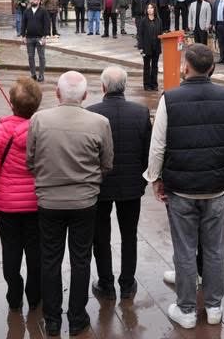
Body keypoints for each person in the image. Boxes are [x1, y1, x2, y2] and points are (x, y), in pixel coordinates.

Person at [145, 44, 224, 329]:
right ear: (211, 68)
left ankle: (187, 309)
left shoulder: (171, 98)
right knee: (214, 248)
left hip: (182, 187)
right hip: (215, 185)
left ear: (186, 67)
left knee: (185, 248)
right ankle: (214, 306)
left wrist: (155, 178)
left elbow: (158, 145)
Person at [27, 71, 114, 337]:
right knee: (80, 260)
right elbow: (107, 163)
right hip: (84, 202)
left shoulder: (39, 120)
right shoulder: (100, 123)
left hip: (49, 202)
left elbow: (30, 161)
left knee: (50, 259)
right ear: (86, 96)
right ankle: (77, 317)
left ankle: (52, 319)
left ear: (57, 93)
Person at [87, 67, 152, 300]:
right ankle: (127, 283)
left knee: (100, 236)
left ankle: (106, 282)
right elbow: (148, 152)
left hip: (100, 185)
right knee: (129, 235)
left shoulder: (91, 113)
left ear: (103, 87)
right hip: (132, 186)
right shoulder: (141, 112)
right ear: (124, 86)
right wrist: (142, 178)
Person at [0, 78, 43, 313]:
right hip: (37, 204)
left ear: (12, 104)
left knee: (11, 251)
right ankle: (35, 295)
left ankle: (14, 295)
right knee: (36, 252)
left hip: (6, 206)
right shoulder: (43, 131)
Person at [21, 0, 50, 82]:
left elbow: (47, 24)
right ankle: (33, 74)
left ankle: (41, 75)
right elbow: (23, 24)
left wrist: (45, 37)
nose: (32, 1)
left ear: (39, 1)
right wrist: (23, 36)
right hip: (29, 38)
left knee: (41, 57)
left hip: (40, 38)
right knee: (30, 57)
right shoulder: (27, 11)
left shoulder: (43, 11)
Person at [137, 4, 162, 91]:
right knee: (147, 67)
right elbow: (140, 35)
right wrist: (140, 47)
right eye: (148, 8)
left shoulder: (158, 20)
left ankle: (154, 84)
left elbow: (161, 34)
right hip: (146, 47)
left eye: (151, 8)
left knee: (155, 66)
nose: (149, 9)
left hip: (156, 47)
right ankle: (146, 85)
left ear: (154, 9)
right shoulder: (143, 21)